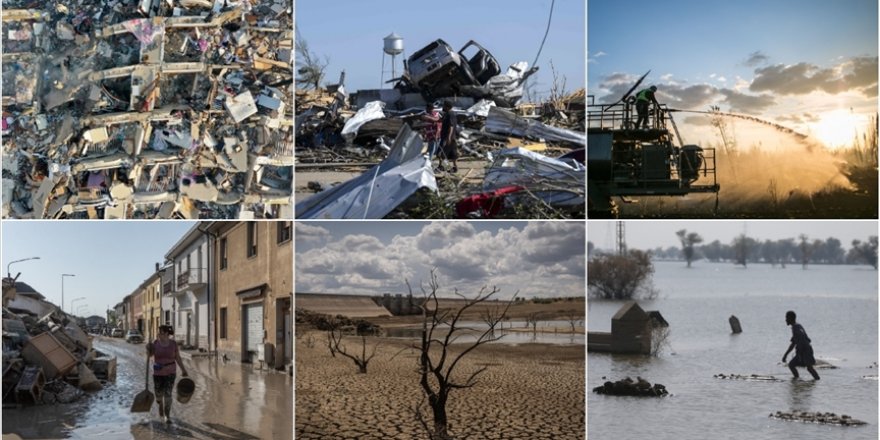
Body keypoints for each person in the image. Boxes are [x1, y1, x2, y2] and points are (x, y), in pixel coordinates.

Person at [147, 325, 189, 423]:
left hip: (170, 372)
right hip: (157, 373)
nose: (158, 334)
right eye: (158, 333)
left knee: (168, 394)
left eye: (161, 333)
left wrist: (183, 369)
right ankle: (160, 404)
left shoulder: (173, 344)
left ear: (166, 334)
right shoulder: (155, 343)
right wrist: (148, 349)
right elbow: (150, 355)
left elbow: (177, 358)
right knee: (158, 395)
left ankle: (167, 415)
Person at [782, 311, 820, 380]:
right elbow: (794, 342)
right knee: (791, 365)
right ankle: (797, 381)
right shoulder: (798, 326)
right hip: (804, 350)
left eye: (786, 318)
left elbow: (801, 340)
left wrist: (800, 353)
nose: (785, 320)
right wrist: (786, 355)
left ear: (790, 318)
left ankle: (817, 381)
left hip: (805, 351)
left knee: (809, 368)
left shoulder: (795, 328)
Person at [438, 101, 460, 173]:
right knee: (452, 153)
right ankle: (454, 168)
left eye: (444, 106)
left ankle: (442, 166)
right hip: (448, 137)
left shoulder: (451, 114)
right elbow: (440, 120)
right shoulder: (447, 114)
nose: (443, 107)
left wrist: (449, 137)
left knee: (441, 152)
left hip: (448, 137)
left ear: (447, 107)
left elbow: (451, 126)